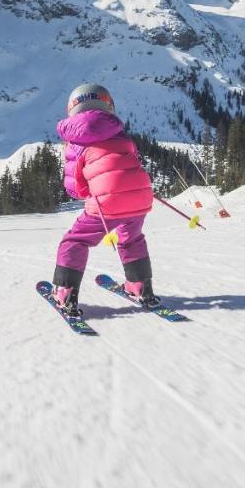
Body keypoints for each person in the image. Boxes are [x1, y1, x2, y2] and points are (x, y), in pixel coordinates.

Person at [51, 83, 157, 315]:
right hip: (140, 198)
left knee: (75, 241)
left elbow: (75, 189)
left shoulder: (76, 142)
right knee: (131, 238)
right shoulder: (120, 133)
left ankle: (64, 293)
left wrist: (93, 190)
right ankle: (140, 287)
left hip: (105, 204)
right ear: (108, 105)